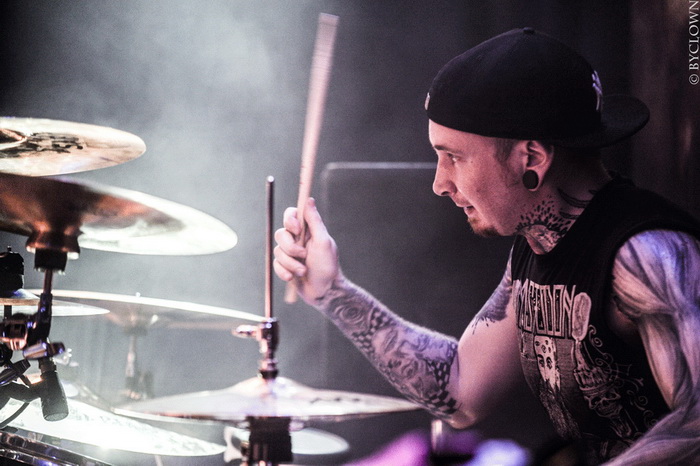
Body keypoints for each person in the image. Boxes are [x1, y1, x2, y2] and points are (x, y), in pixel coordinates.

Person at [273, 28, 700, 465]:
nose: (440, 183)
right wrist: (333, 291)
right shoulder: (538, 244)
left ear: (531, 158)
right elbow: (461, 392)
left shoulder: (649, 256)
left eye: (453, 157)